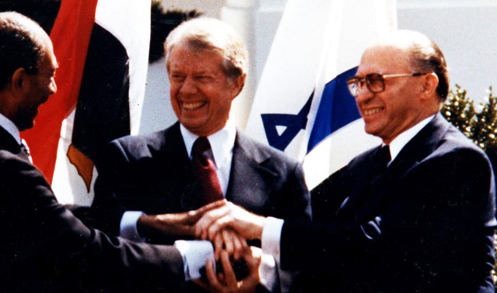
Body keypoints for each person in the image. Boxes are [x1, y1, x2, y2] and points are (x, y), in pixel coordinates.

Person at [0, 12, 251, 293]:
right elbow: (84, 250)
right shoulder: (3, 167)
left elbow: (41, 215)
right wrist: (200, 256)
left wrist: (148, 223)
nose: (54, 90)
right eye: (50, 76)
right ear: (18, 81)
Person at [194, 30, 497, 293]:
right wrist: (259, 268)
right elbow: (305, 218)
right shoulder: (366, 165)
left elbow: (376, 249)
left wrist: (259, 228)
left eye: (376, 81)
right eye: (358, 83)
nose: (361, 96)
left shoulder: (458, 161)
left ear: (426, 85)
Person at [84, 17, 311, 292]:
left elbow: (305, 265)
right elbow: (99, 243)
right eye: (177, 77)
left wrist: (263, 275)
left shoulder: (283, 172)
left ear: (236, 84)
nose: (186, 90)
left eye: (202, 78)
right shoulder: (128, 158)